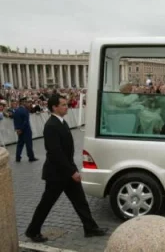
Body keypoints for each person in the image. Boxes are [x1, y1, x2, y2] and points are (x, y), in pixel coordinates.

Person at [25, 94, 108, 243]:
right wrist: (72, 172)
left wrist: (72, 169)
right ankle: (33, 230)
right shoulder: (51, 126)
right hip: (56, 174)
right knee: (46, 204)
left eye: (66, 104)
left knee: (80, 201)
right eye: (63, 105)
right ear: (54, 107)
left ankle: (90, 228)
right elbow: (55, 153)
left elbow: (66, 153)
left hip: (67, 171)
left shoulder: (62, 122)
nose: (66, 107)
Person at [13, 97, 37, 162]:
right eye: (26, 102)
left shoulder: (16, 110)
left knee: (20, 144)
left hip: (19, 131)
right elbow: (25, 122)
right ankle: (31, 157)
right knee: (29, 144)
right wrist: (21, 129)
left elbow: (14, 121)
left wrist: (17, 129)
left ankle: (18, 157)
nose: (27, 103)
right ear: (22, 102)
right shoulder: (25, 111)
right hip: (26, 130)